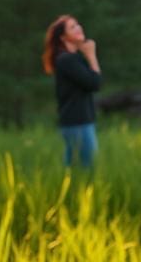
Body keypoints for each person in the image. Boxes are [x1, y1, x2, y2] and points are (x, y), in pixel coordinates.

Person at [42, 15, 101, 168]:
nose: (79, 27)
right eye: (72, 27)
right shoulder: (67, 60)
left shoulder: (70, 59)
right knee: (87, 169)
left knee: (73, 169)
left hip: (76, 122)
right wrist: (91, 55)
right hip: (78, 122)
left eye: (78, 24)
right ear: (63, 37)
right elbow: (94, 84)